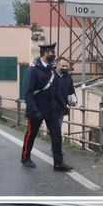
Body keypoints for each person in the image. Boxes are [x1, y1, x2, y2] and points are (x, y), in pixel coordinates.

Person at [21, 43, 72, 172]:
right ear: (44, 53)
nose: (53, 54)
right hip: (36, 109)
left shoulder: (51, 70)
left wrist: (63, 105)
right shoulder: (33, 70)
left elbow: (56, 91)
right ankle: (25, 157)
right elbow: (28, 92)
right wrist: (34, 111)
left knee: (56, 135)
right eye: (51, 52)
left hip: (51, 109)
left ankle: (58, 163)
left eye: (53, 52)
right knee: (31, 134)